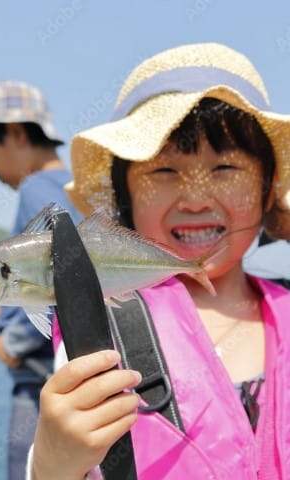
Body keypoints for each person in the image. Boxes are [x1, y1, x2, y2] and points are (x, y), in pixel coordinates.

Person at [26, 43, 290, 479]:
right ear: (124, 198)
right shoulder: (96, 330)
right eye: (163, 172)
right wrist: (53, 462)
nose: (195, 199)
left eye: (225, 169)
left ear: (267, 188)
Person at [0, 80, 82, 480]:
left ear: (17, 133)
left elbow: (55, 278)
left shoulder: (34, 191)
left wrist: (12, 341)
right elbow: (72, 271)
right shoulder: (77, 190)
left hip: (40, 384)